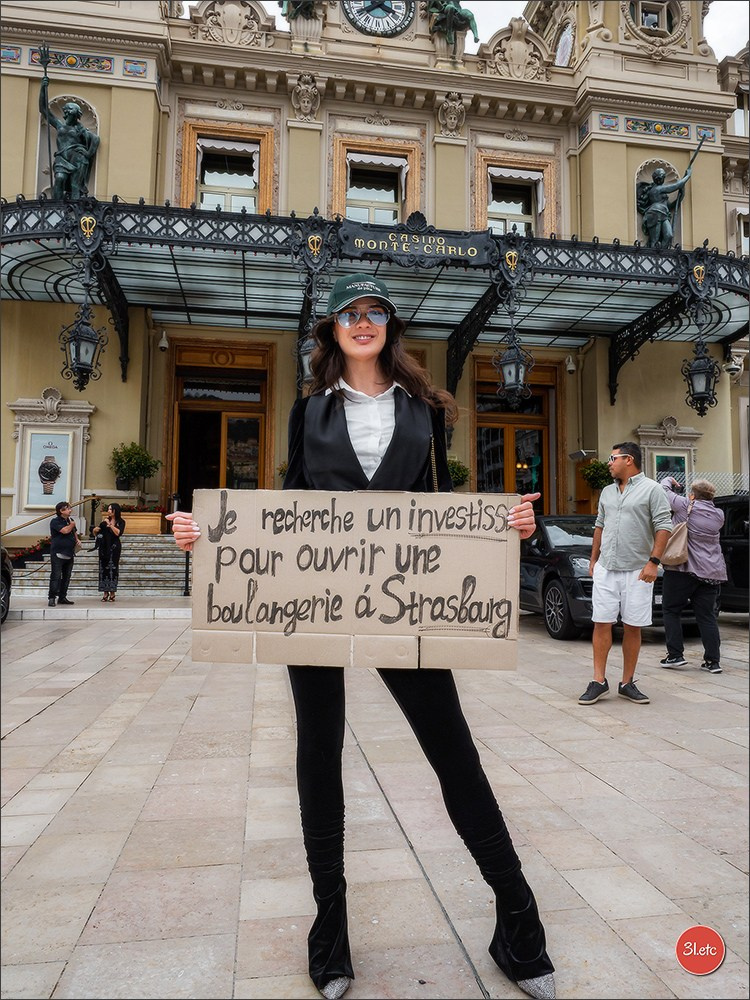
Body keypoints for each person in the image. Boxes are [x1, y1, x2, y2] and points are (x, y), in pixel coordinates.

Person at [168, 272, 556, 1000]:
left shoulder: (425, 410)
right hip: (316, 599)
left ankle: (518, 915)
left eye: (376, 310)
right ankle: (331, 927)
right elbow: (286, 503)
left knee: (455, 754)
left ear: (391, 326)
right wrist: (209, 536)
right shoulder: (308, 409)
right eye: (351, 312)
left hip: (403, 601)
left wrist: (508, 525)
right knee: (319, 755)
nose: (364, 320)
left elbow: (436, 507)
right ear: (331, 330)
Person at [578, 442, 673, 707]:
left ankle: (627, 682)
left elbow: (664, 527)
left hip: (638, 570)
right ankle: (598, 681)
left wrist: (654, 562)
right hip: (607, 568)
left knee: (633, 625)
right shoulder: (607, 492)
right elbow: (599, 526)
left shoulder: (653, 490)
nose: (608, 463)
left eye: (612, 458)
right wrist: (594, 559)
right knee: (601, 622)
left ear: (628, 459)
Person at [659, 477, 727, 674]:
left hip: (683, 568)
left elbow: (664, 491)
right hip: (711, 572)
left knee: (671, 610)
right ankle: (713, 662)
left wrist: (669, 480)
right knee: (707, 616)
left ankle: (675, 655)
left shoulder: (685, 505)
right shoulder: (719, 514)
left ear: (693, 494)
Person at [38, 47, 100, 200]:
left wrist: (88, 153)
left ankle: (74, 212)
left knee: (75, 187)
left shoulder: (81, 130)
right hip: (62, 158)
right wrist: (43, 87)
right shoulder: (60, 125)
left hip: (78, 158)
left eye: (69, 110)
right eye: (65, 110)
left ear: (76, 114)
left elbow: (96, 140)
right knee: (59, 179)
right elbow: (44, 109)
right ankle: (57, 210)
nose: (66, 112)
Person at [636, 166, 692, 249]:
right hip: (654, 214)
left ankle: (661, 253)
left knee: (668, 235)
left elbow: (669, 206)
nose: (661, 178)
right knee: (654, 240)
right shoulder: (656, 189)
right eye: (661, 177)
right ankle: (653, 257)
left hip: (664, 214)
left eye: (662, 176)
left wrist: (679, 198)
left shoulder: (662, 193)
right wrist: (688, 176)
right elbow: (677, 185)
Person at [48, 500, 79, 607]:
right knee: (56, 576)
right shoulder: (55, 521)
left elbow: (74, 531)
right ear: (61, 511)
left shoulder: (70, 520)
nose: (70, 510)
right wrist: (71, 525)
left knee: (66, 576)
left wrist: (77, 540)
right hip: (58, 553)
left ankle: (62, 597)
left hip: (69, 553)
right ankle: (52, 597)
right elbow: (65, 531)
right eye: (68, 508)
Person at [92, 502, 125, 602]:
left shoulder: (121, 522)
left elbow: (118, 533)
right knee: (103, 569)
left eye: (111, 509)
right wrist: (95, 530)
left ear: (115, 510)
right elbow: (98, 534)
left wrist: (110, 525)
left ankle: (112, 592)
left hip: (114, 548)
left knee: (113, 569)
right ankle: (105, 592)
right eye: (108, 509)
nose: (109, 511)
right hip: (104, 548)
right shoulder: (104, 522)